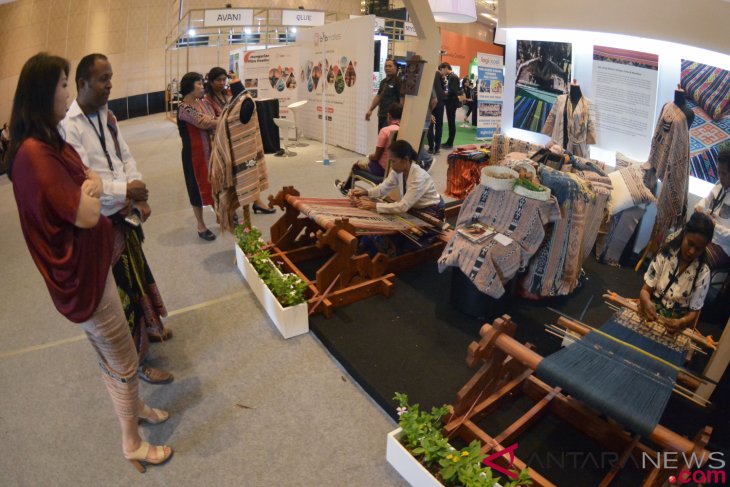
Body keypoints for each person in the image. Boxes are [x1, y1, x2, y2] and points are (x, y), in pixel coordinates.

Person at [6, 52, 172, 472]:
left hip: (93, 264)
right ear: (47, 92)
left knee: (114, 354)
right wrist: (94, 189)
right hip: (82, 278)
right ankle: (132, 442)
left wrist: (94, 186)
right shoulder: (36, 155)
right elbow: (86, 212)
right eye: (63, 84)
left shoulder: (48, 142)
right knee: (123, 359)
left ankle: (134, 410)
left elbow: (90, 179)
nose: (67, 92)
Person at [61, 53, 173, 385]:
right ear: (82, 84)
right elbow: (84, 181)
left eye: (111, 77)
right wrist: (127, 191)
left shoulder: (107, 116)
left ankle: (150, 330)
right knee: (122, 296)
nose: (110, 84)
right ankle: (138, 363)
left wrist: (136, 194)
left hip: (124, 216)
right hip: (101, 227)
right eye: (102, 79)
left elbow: (125, 156)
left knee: (139, 279)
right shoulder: (69, 127)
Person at [204, 67, 273, 215]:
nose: (222, 83)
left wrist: (229, 119)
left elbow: (239, 110)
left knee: (250, 168)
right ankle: (231, 208)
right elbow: (209, 121)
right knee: (230, 175)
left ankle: (256, 201)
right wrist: (228, 120)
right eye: (218, 80)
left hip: (239, 141)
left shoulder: (229, 94)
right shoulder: (206, 101)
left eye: (224, 79)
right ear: (210, 82)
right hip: (221, 142)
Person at [638, 212, 715, 334]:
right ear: (684, 234)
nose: (691, 251)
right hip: (652, 313)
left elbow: (693, 312)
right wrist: (646, 302)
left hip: (677, 323)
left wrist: (682, 322)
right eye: (690, 243)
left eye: (698, 249)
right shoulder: (665, 254)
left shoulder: (703, 273)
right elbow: (645, 290)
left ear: (704, 247)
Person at [349, 139, 444, 220]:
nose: (391, 165)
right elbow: (383, 188)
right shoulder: (398, 170)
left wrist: (373, 205)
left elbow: (403, 206)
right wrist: (365, 192)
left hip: (431, 210)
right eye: (390, 161)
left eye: (393, 161)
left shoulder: (418, 177)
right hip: (414, 207)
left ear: (405, 160)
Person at [177, 71, 219, 241]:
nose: (203, 87)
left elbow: (213, 117)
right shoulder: (184, 108)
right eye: (199, 84)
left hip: (209, 150)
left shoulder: (201, 103)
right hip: (193, 155)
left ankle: (220, 215)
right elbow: (205, 122)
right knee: (196, 189)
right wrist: (223, 119)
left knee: (215, 183)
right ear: (189, 86)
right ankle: (201, 225)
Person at [335, 103, 402, 194]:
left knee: (357, 165)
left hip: (381, 170)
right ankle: (345, 184)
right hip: (397, 169)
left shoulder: (385, 131)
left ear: (389, 116)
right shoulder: (404, 130)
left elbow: (376, 157)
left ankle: (345, 187)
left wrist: (369, 156)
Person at [694, 145, 730, 270]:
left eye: (723, 173)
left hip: (723, 247)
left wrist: (716, 226)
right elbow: (707, 199)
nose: (720, 176)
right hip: (708, 234)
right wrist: (700, 206)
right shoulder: (719, 184)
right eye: (718, 172)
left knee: (697, 259)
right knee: (675, 243)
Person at [365, 58, 404, 132]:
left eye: (390, 66)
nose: (387, 68)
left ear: (395, 67)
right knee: (381, 137)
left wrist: (400, 116)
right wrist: (370, 110)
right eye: (386, 66)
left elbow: (402, 99)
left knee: (389, 140)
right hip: (382, 115)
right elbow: (378, 97)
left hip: (392, 118)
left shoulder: (399, 81)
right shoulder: (383, 82)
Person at [439, 62, 461, 149]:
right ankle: (449, 141)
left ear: (446, 68)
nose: (442, 72)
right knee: (450, 122)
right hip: (450, 103)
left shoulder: (453, 77)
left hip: (452, 103)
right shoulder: (450, 77)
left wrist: (445, 93)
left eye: (442, 69)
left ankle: (450, 142)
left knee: (451, 123)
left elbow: (453, 91)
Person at [427, 69, 446, 155]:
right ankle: (437, 147)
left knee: (430, 124)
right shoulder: (438, 73)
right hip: (440, 102)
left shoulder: (428, 72)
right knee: (439, 125)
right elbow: (443, 87)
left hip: (430, 101)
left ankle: (431, 147)